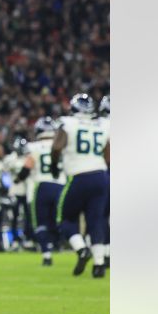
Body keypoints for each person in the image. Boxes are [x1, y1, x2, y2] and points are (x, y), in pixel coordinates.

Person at [53, 94, 110, 277]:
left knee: (65, 218)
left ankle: (81, 249)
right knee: (97, 220)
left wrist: (55, 166)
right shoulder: (103, 124)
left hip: (78, 175)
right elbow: (108, 155)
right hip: (101, 175)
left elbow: (56, 147)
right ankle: (99, 264)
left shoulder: (68, 123)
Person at [21, 117, 66, 266]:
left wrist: (17, 179)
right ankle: (62, 245)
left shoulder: (33, 147)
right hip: (61, 186)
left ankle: (46, 254)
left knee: (40, 223)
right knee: (59, 221)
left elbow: (27, 167)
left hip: (41, 186)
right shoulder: (62, 145)